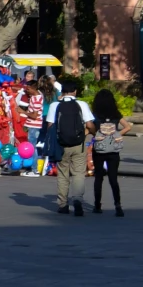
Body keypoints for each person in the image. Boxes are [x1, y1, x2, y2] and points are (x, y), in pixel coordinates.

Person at [53, 78, 93, 216]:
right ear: (75, 91)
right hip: (78, 144)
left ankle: (63, 204)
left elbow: (50, 126)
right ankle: (77, 199)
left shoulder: (55, 105)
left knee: (63, 174)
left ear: (62, 91)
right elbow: (89, 124)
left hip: (61, 145)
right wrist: (91, 133)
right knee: (78, 173)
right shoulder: (81, 104)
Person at [90, 87, 124, 217]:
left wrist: (95, 134)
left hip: (99, 148)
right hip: (113, 149)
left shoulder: (96, 116)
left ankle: (97, 205)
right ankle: (118, 205)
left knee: (98, 177)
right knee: (113, 178)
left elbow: (90, 128)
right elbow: (128, 126)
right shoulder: (116, 114)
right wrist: (116, 134)